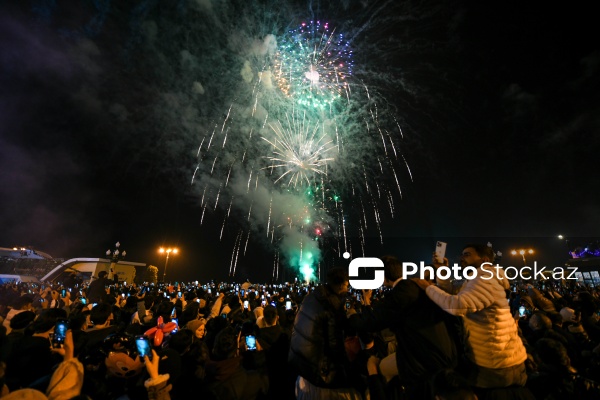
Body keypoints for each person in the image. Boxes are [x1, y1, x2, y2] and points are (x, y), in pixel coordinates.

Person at [415, 244, 528, 392]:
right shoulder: (479, 278)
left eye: (467, 254)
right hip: (502, 359)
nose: (462, 258)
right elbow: (455, 295)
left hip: (496, 364)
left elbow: (457, 305)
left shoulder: (485, 279)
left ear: (485, 259)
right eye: (462, 254)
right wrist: (442, 269)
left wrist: (427, 287)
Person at [348, 255, 458, 398]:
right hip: (444, 354)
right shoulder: (417, 287)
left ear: (384, 277)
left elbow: (373, 321)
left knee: (376, 368)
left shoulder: (401, 292)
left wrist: (351, 317)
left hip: (423, 360)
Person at [289, 267, 362, 399]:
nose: (347, 289)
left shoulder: (312, 296)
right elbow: (335, 346)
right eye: (347, 285)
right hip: (317, 370)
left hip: (301, 361)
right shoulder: (332, 305)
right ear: (340, 285)